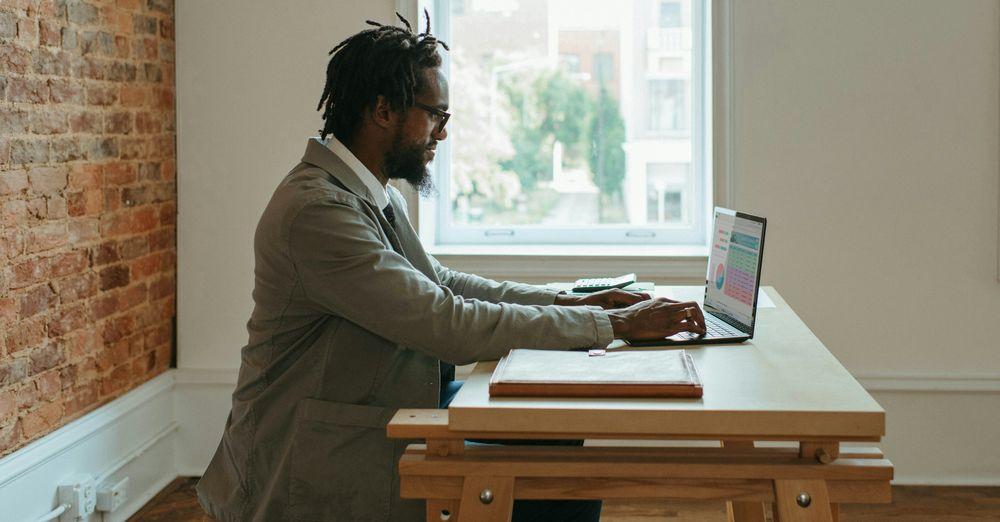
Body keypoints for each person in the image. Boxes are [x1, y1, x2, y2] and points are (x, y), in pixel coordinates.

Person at [196, 12, 706, 522]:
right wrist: (612, 325)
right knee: (553, 478)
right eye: (436, 115)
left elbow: (442, 284)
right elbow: (445, 322)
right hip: (309, 461)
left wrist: (573, 303)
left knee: (555, 443)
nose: (441, 133)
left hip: (385, 407)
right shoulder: (318, 212)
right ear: (382, 111)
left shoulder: (370, 195)